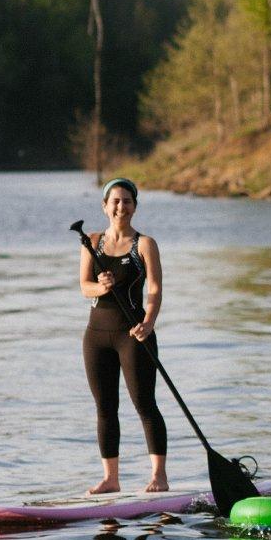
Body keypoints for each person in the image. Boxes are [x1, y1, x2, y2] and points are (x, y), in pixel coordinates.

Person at [78, 178, 167, 495]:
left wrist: (149, 321)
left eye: (127, 201)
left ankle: (159, 476)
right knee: (105, 407)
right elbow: (84, 286)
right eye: (115, 201)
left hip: (133, 334)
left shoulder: (144, 244)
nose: (121, 206)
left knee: (145, 404)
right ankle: (111, 478)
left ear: (135, 206)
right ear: (105, 206)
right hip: (96, 336)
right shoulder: (92, 241)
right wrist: (101, 287)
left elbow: (154, 289)